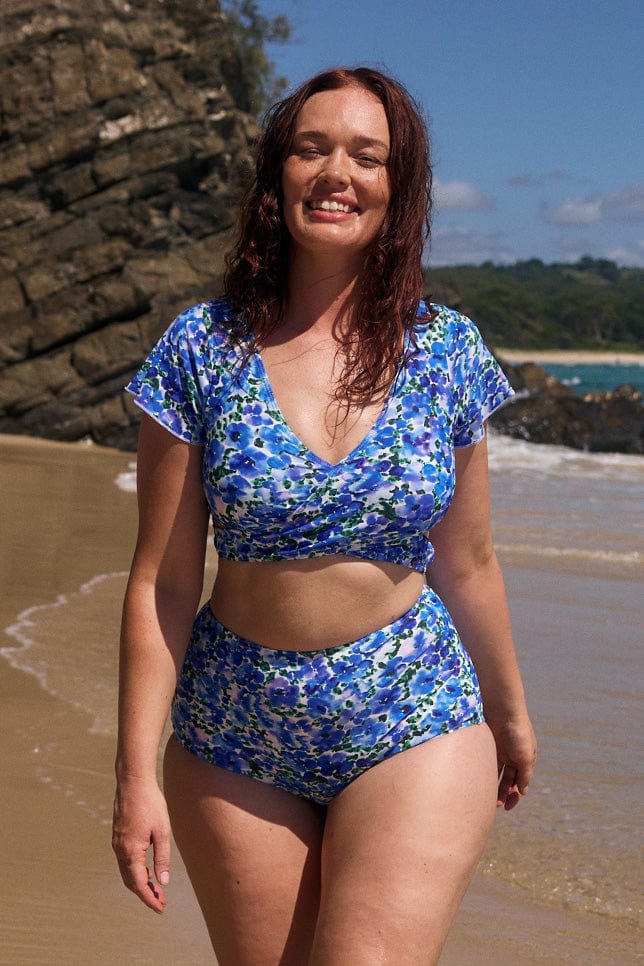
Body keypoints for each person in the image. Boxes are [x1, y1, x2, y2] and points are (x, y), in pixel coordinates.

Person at [112, 66, 537, 965]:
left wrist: (510, 713)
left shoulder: (446, 350)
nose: (337, 172)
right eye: (312, 148)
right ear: (278, 176)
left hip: (411, 708)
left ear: (398, 186)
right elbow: (164, 580)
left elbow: (468, 561)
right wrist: (133, 776)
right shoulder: (202, 349)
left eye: (366, 155)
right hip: (236, 728)